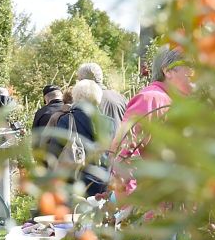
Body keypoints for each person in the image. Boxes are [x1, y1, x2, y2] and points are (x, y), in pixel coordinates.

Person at [114, 46, 193, 194]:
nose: (194, 73)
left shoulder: (179, 103)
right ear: (168, 71)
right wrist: (133, 203)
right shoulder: (151, 99)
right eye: (189, 66)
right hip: (157, 210)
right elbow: (122, 151)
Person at [52, 80, 108, 196]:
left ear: (76, 97)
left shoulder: (66, 120)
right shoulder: (109, 123)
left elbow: (54, 151)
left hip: (75, 184)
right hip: (103, 183)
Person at [76, 62, 125, 141]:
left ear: (83, 80)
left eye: (79, 79)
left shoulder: (85, 99)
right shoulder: (120, 98)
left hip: (98, 150)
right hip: (120, 149)